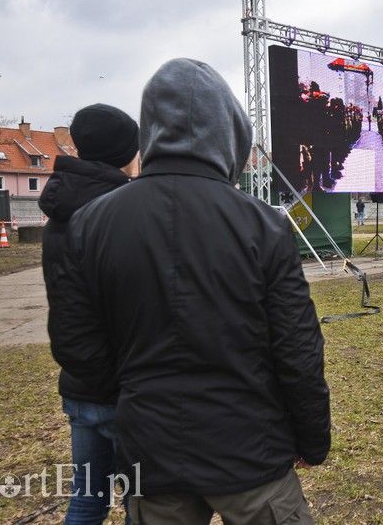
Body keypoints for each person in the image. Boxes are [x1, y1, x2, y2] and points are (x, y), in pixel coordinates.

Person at [49, 58, 331, 524]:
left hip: (154, 452)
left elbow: (76, 345)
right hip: (251, 451)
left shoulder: (91, 223)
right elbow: (298, 350)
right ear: (230, 134)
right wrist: (312, 439)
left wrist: (137, 399)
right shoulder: (262, 225)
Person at [40, 103, 138, 524]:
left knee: (86, 499)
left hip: (80, 384)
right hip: (125, 389)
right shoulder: (125, 213)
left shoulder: (59, 211)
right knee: (141, 503)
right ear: (127, 153)